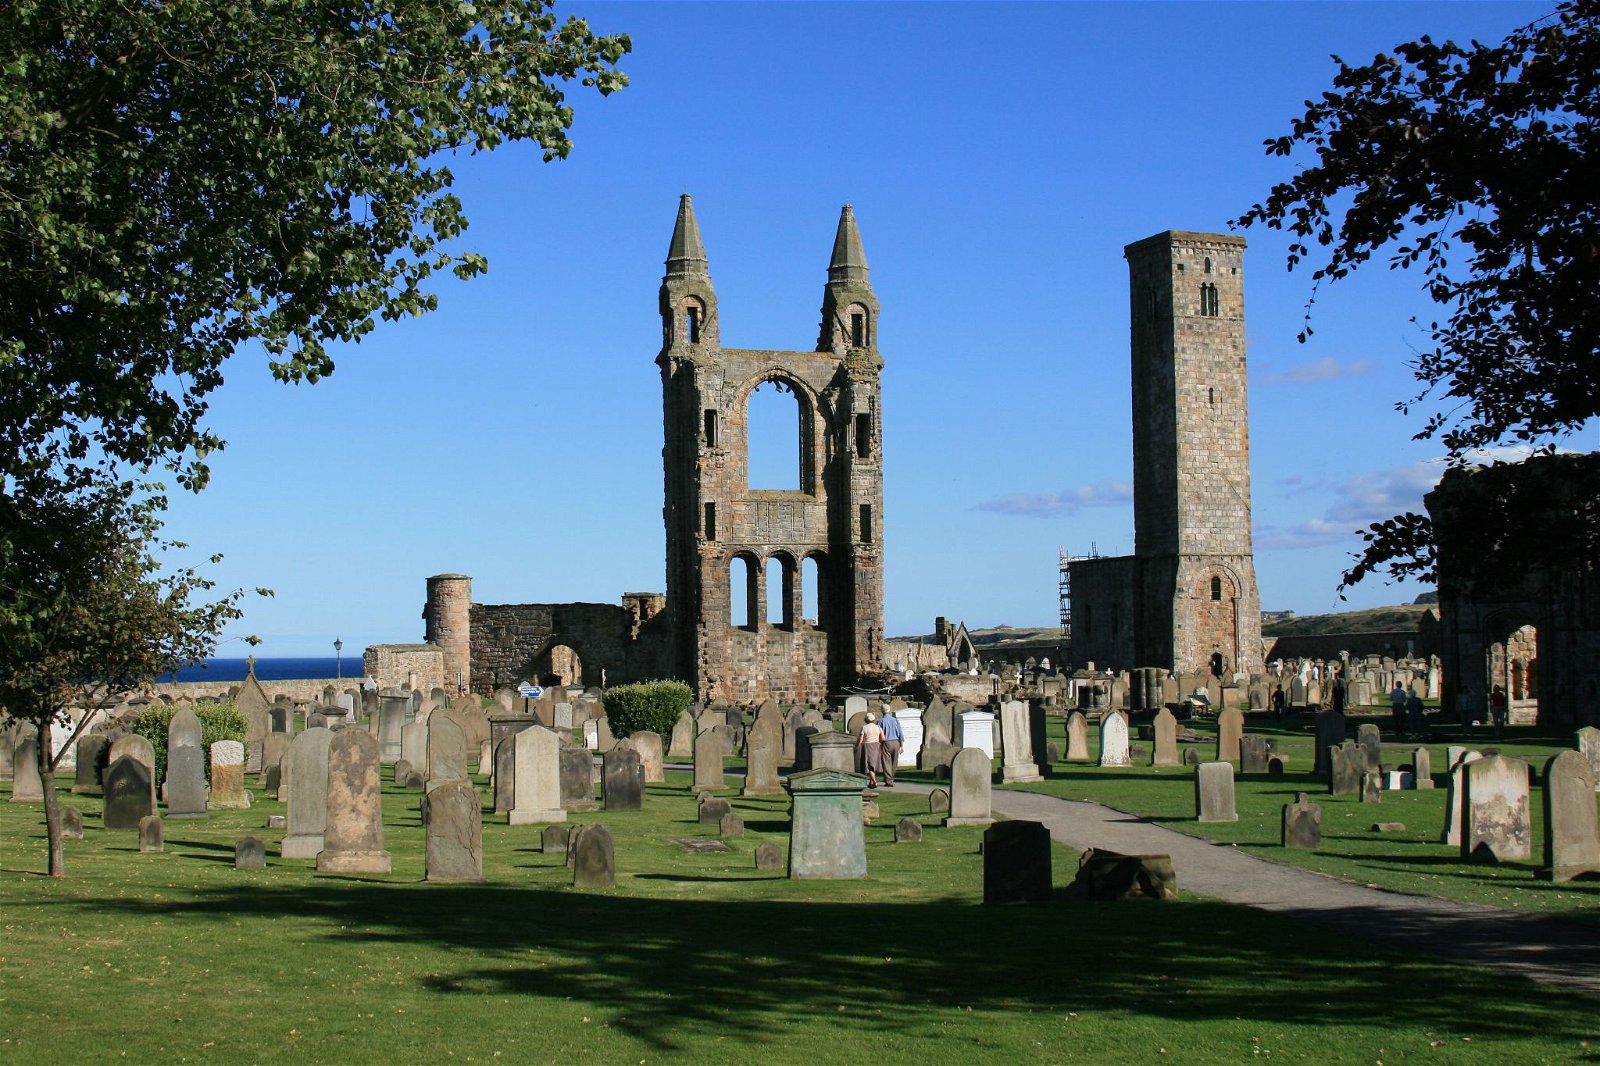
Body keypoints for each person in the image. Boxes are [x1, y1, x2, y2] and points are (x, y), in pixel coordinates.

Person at [857, 713, 885, 789]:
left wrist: (857, 747)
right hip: (876, 745)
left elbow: (860, 739)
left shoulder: (864, 727)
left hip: (867, 746)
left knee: (869, 765)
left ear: (866, 720)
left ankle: (874, 782)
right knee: (873, 764)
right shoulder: (878, 727)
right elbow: (883, 738)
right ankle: (871, 782)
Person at [877, 708, 904, 787]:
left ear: (882, 711)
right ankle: (891, 778)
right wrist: (901, 745)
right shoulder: (895, 720)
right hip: (896, 742)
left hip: (886, 742)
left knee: (886, 762)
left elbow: (879, 734)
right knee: (894, 762)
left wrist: (879, 744)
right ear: (889, 710)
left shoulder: (880, 721)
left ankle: (889, 780)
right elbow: (900, 732)